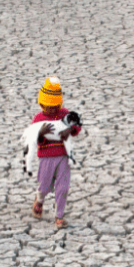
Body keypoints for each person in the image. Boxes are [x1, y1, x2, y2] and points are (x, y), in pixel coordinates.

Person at [30, 77, 81, 229]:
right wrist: (41, 133)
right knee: (44, 186)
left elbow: (77, 124)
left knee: (63, 187)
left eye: (55, 107)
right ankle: (39, 199)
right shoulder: (39, 119)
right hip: (46, 159)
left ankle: (59, 216)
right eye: (48, 107)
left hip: (63, 157)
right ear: (41, 104)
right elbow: (34, 139)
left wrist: (70, 130)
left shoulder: (64, 114)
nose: (52, 110)